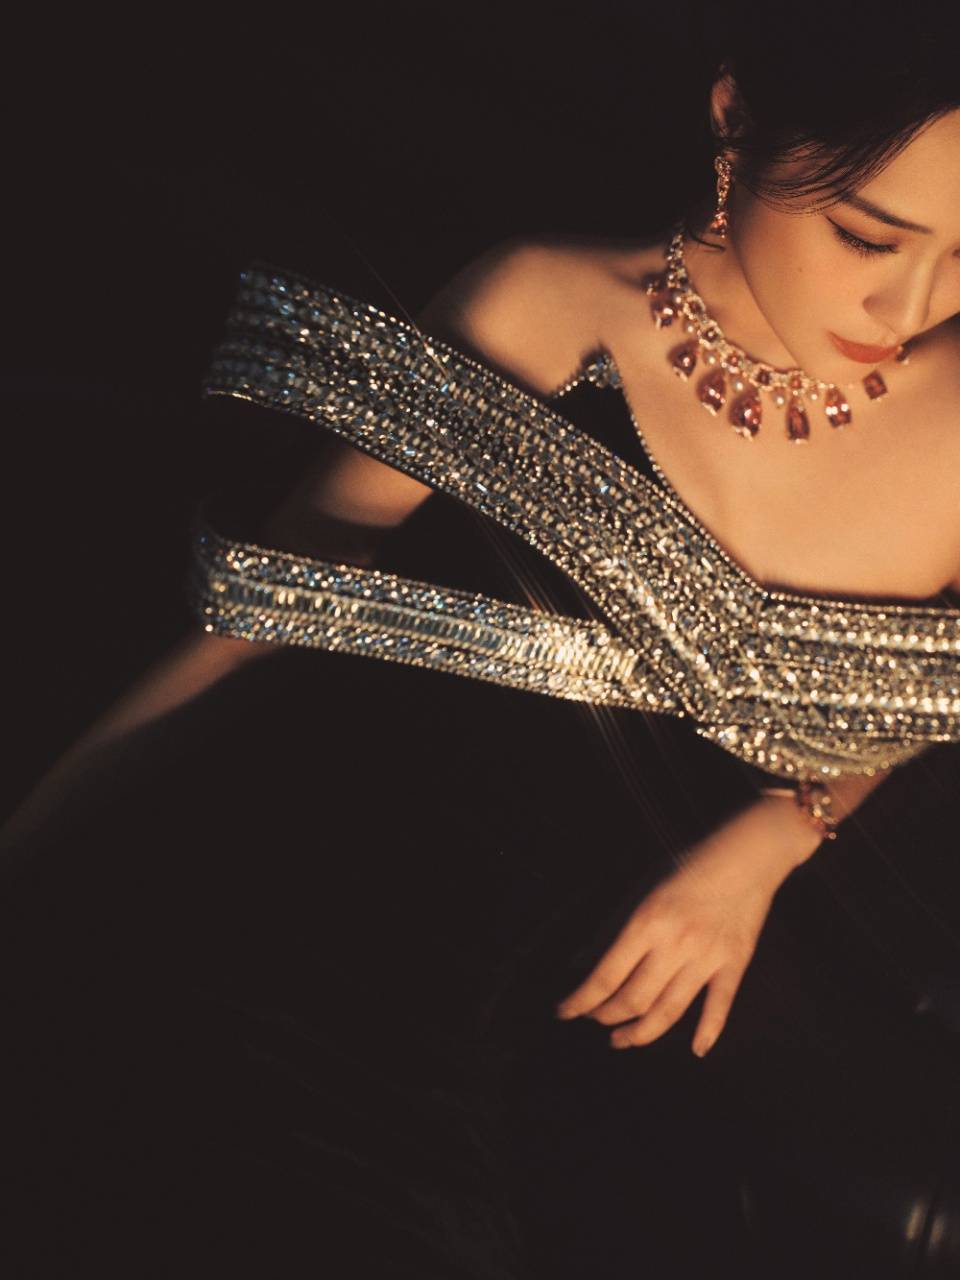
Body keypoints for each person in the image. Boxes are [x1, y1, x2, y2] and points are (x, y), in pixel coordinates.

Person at [4, 3, 960, 1275]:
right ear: (736, 118)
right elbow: (257, 621)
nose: (911, 302)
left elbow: (920, 701)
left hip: (562, 1034)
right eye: (867, 235)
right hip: (283, 908)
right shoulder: (541, 306)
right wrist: (34, 843)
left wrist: (774, 838)